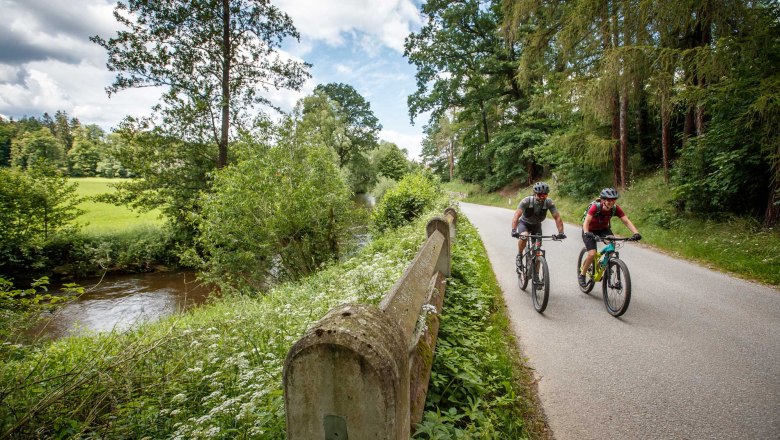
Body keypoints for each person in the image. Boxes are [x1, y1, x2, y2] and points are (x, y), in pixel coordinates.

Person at [578, 187, 641, 287]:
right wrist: (586, 232)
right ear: (603, 200)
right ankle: (582, 274)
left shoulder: (616, 208)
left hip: (603, 229)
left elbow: (626, 221)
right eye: (608, 200)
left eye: (613, 200)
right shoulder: (595, 207)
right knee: (592, 253)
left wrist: (636, 233)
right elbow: (586, 222)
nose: (611, 202)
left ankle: (603, 264)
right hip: (590, 230)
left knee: (612, 246)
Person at [511, 182, 566, 272]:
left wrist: (561, 233)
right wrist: (514, 230)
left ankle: (536, 275)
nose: (542, 197)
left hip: (536, 226)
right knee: (524, 235)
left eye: (545, 194)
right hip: (524, 224)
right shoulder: (526, 201)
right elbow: (516, 216)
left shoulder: (549, 202)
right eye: (540, 194)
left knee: (538, 251)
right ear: (535, 193)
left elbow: (557, 217)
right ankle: (519, 255)